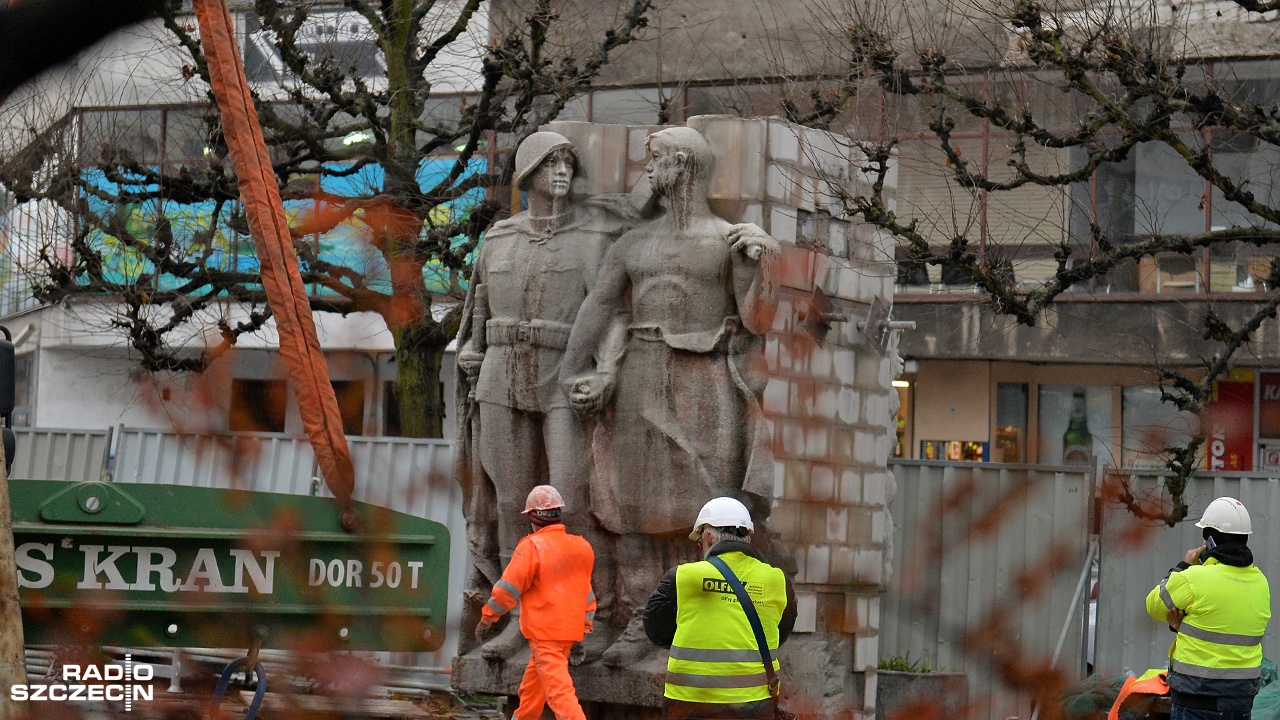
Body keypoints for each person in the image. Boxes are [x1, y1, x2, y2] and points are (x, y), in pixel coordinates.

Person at [559, 126, 780, 664]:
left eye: (655, 160)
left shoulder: (727, 240)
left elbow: (757, 319)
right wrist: (572, 369)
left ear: (680, 164)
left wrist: (765, 262)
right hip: (639, 374)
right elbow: (599, 307)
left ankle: (687, 624)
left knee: (701, 503)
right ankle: (638, 620)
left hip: (705, 378)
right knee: (629, 505)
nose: (648, 171)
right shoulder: (633, 242)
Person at [455, 130, 631, 660]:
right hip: (502, 372)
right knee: (511, 503)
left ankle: (586, 614)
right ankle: (520, 621)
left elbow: (615, 315)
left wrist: (606, 372)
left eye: (568, 164)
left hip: (562, 371)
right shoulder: (499, 238)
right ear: (527, 173)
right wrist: (469, 349)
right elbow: (475, 310)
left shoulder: (593, 240)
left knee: (571, 502)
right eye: (550, 163)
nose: (562, 173)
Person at [643, 497, 797, 720]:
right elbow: (780, 634)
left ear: (706, 536)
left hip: (690, 706)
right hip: (754, 708)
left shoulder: (684, 577)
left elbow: (655, 631)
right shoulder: (777, 580)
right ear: (748, 539)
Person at [477, 485, 598, 720]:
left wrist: (488, 616)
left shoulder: (532, 547)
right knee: (532, 693)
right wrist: (582, 632)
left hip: (545, 636)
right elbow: (587, 596)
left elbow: (507, 589)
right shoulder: (581, 547)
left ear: (533, 518)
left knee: (560, 695)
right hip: (567, 633)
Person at [1145, 496, 1271, 720]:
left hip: (1197, 700)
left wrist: (1184, 565)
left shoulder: (1194, 578)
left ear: (1210, 539)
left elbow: (1154, 605)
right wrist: (1182, 626)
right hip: (1241, 702)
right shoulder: (1260, 582)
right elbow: (1224, 626)